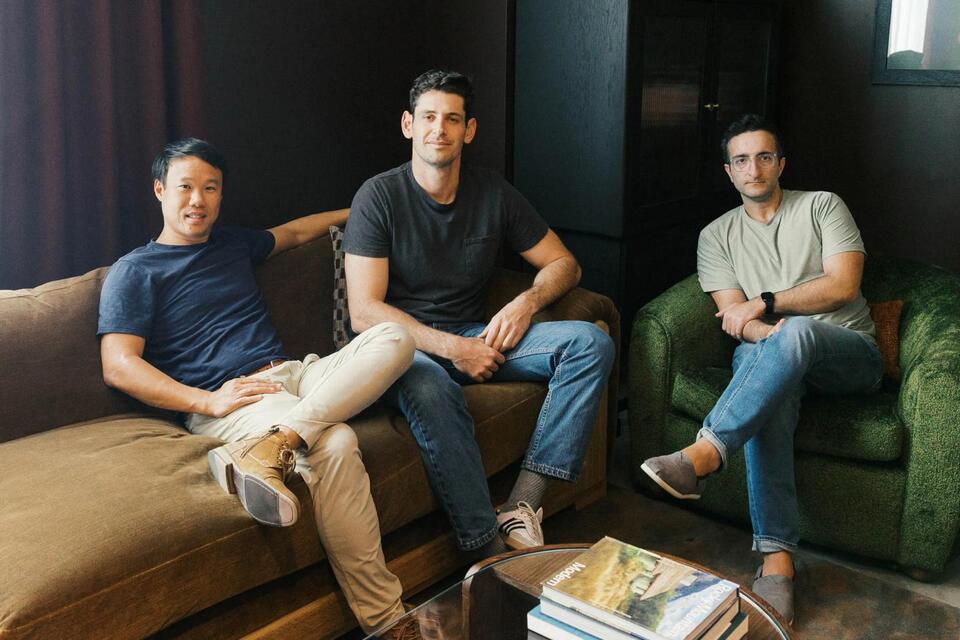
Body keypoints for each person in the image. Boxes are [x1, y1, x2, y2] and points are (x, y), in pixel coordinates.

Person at [97, 138, 419, 636]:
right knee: (336, 441)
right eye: (185, 187)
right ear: (160, 190)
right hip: (233, 399)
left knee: (396, 337)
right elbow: (119, 365)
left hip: (295, 374)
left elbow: (295, 232)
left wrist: (364, 207)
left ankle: (275, 444)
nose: (198, 200)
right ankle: (390, 622)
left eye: (210, 188)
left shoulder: (232, 245)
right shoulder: (135, 270)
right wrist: (207, 400)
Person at [342, 70, 615, 558]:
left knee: (591, 342)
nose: (439, 129)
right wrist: (454, 349)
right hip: (400, 350)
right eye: (428, 117)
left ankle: (523, 505)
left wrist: (525, 302)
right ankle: (486, 550)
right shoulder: (378, 196)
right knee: (432, 386)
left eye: (452, 119)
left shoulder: (493, 192)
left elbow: (565, 264)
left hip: (476, 334)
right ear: (408, 125)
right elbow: (364, 313)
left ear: (469, 130)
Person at [640, 114, 883, 624]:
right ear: (729, 171)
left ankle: (707, 452)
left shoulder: (822, 206)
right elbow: (736, 320)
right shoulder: (716, 236)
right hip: (770, 353)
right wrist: (771, 337)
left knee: (794, 335)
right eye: (742, 160)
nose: (754, 169)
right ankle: (777, 563)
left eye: (764, 157)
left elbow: (842, 285)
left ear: (781, 164)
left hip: (847, 355)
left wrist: (768, 304)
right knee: (773, 381)